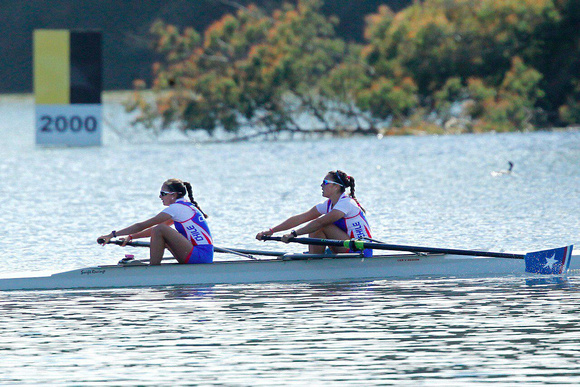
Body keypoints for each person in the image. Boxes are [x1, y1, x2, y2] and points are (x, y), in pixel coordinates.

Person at [256, 170, 373, 257]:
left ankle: (314, 260)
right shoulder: (327, 205)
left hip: (360, 250)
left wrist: (294, 234)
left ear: (336, 187)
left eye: (325, 182)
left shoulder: (347, 203)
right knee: (316, 226)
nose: (321, 185)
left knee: (321, 226)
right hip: (345, 246)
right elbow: (300, 218)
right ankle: (314, 257)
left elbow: (320, 222)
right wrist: (271, 231)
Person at [98, 178, 213, 265]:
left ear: (174, 195)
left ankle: (153, 269)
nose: (160, 196)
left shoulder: (177, 208)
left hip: (200, 256)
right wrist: (131, 237)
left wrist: (112, 235)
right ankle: (155, 269)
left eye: (163, 193)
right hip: (200, 254)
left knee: (160, 229)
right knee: (160, 231)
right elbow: (154, 231)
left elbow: (142, 225)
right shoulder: (185, 207)